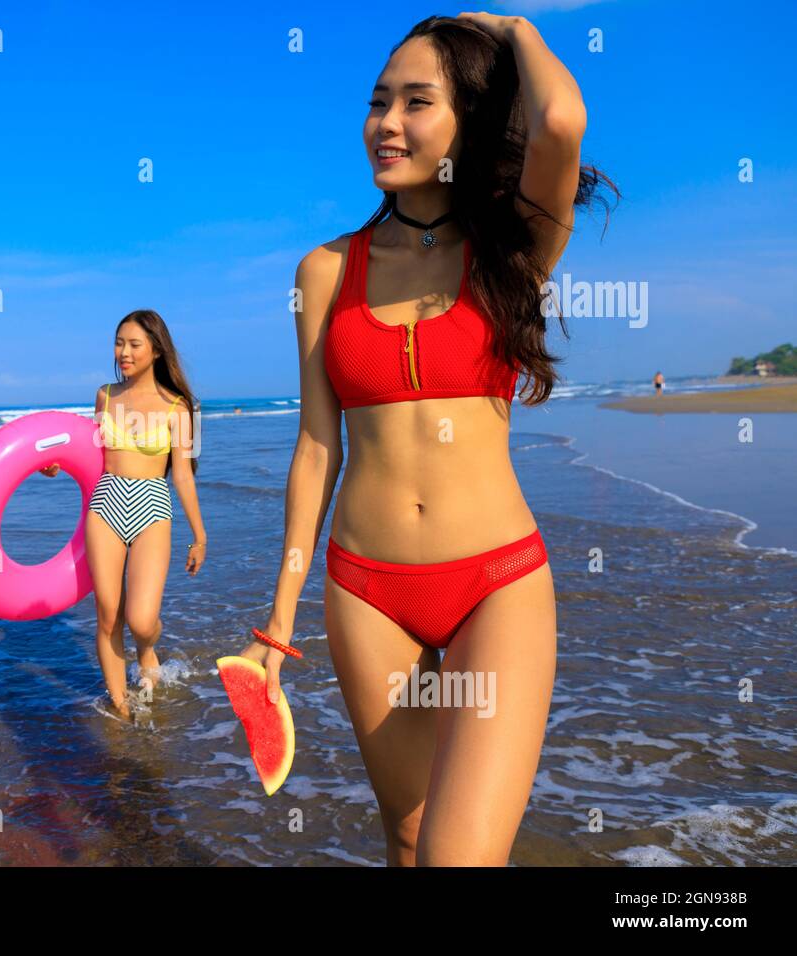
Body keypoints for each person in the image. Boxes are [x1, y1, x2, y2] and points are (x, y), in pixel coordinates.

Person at [234, 13, 617, 865]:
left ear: (468, 123)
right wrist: (280, 615)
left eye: (416, 102)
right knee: (406, 839)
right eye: (377, 103)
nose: (387, 124)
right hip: (366, 590)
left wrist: (514, 27)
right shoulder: (326, 269)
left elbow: (559, 123)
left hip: (495, 583)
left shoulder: (512, 249)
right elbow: (315, 445)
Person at [40, 310, 206, 720]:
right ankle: (120, 705)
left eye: (134, 344)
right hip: (106, 502)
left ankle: (147, 649)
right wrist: (56, 465)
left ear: (155, 349)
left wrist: (200, 536)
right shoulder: (105, 395)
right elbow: (90, 452)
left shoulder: (178, 408)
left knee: (142, 619)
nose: (124, 352)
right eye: (119, 343)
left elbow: (182, 475)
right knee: (109, 611)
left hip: (153, 506)